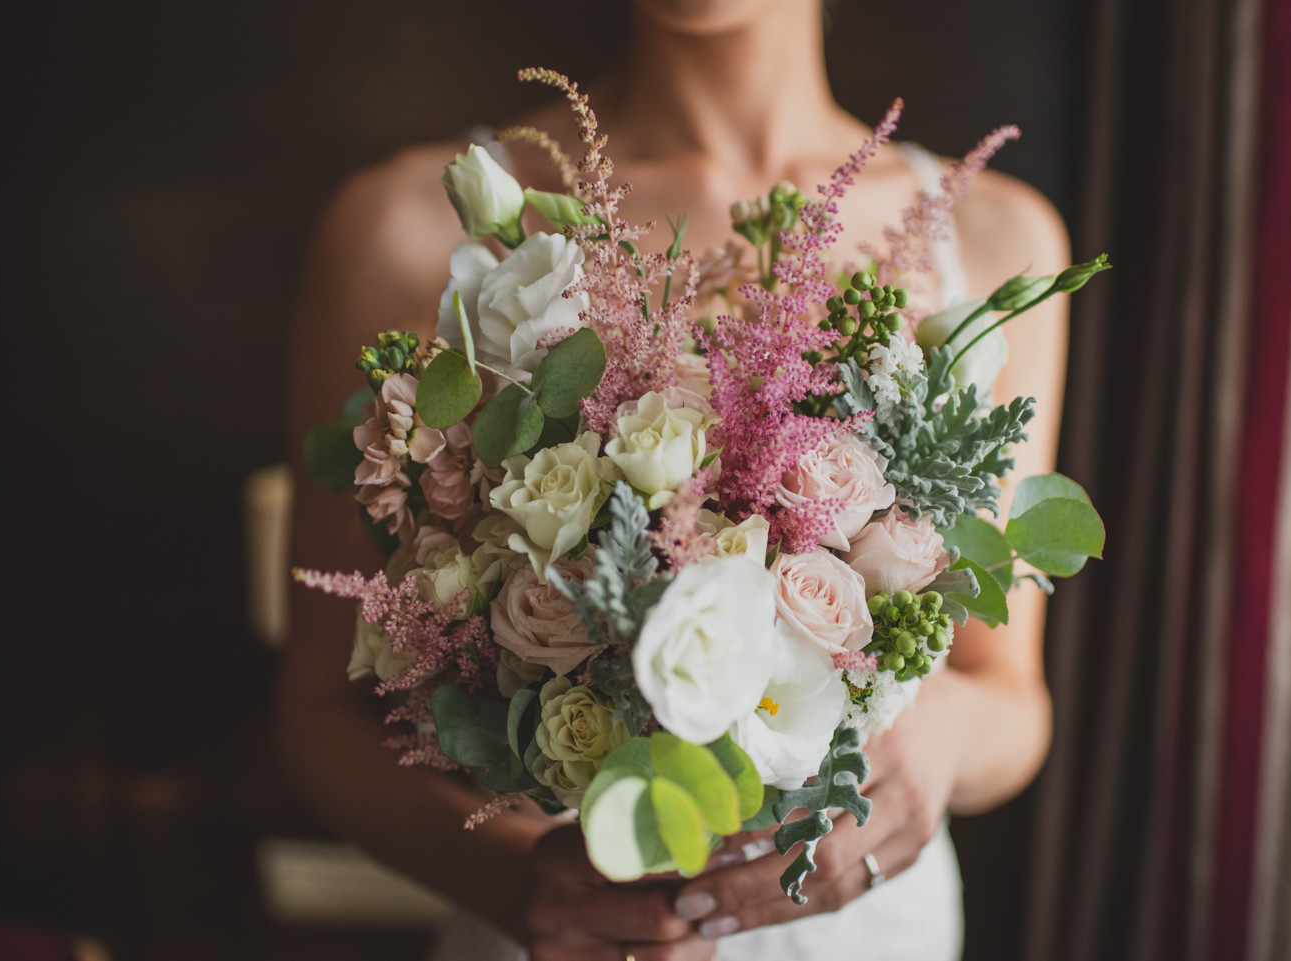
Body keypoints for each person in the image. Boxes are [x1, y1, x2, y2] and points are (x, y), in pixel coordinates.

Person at [278, 1, 1069, 958]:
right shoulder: (401, 230)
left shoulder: (989, 236)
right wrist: (541, 892)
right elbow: (322, 717)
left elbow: (1009, 700)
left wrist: (934, 745)